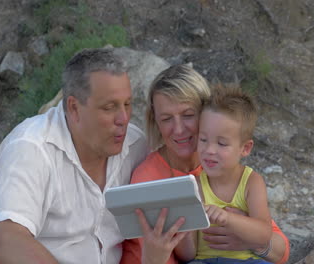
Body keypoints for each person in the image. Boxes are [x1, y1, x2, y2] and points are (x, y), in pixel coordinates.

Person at [0, 48, 148, 263]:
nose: (123, 118)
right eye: (109, 107)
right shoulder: (31, 148)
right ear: (74, 108)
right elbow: (9, 243)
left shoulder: (135, 145)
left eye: (127, 104)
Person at [120, 65, 290, 264]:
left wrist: (246, 238)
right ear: (155, 121)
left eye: (188, 115)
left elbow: (281, 251)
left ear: (206, 113)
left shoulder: (216, 167)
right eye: (166, 119)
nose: (179, 129)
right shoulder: (148, 179)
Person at [184, 83, 272, 263]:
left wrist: (227, 218)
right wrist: (183, 226)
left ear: (245, 148)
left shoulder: (251, 182)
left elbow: (264, 235)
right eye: (203, 139)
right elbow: (188, 254)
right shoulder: (195, 185)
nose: (209, 150)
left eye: (222, 143)